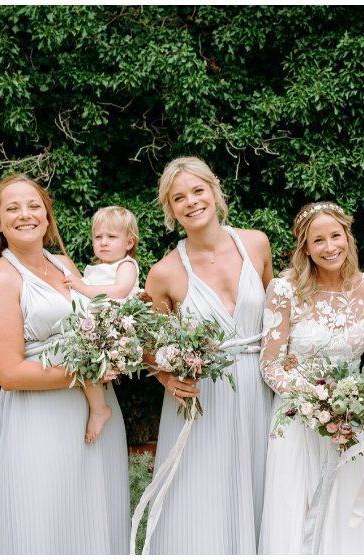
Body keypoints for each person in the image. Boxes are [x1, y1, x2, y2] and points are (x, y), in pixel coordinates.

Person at [0, 174, 128, 554]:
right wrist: (85, 372)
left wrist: (119, 345)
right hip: (41, 417)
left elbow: (92, 321)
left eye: (33, 206)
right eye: (12, 208)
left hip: (95, 410)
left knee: (95, 511)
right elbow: (9, 373)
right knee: (49, 517)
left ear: (47, 217)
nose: (25, 214)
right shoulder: (0, 280)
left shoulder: (62, 263)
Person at [143, 156, 274, 554]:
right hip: (204, 397)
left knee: (265, 486)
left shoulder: (256, 243)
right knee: (204, 494)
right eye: (179, 197)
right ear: (170, 210)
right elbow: (147, 346)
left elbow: (280, 312)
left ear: (215, 191)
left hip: (262, 387)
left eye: (198, 190)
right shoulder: (164, 273)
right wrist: (168, 378)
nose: (191, 202)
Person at [258, 202, 364, 554]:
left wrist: (346, 404)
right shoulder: (285, 290)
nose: (330, 248)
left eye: (335, 236)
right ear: (306, 248)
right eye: (318, 241)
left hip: (350, 417)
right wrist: (314, 401)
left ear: (347, 236)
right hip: (298, 419)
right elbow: (270, 365)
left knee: (346, 513)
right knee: (296, 507)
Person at [64, 206, 143, 443]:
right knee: (84, 361)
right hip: (95, 325)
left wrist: (83, 287)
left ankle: (99, 409)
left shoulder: (126, 266)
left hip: (114, 325)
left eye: (111, 237)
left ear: (129, 242)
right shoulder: (94, 269)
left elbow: (120, 291)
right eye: (98, 237)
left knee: (89, 359)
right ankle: (97, 406)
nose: (103, 242)